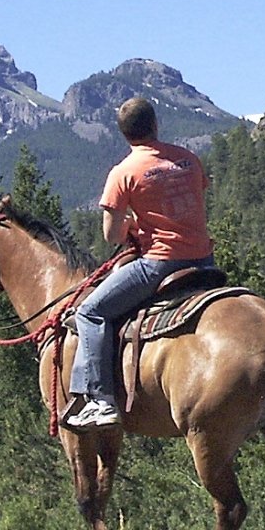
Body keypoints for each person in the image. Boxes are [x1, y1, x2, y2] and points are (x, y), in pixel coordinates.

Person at [64, 96, 217, 430]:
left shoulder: (124, 172)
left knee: (90, 311)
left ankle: (101, 402)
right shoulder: (188, 159)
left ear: (123, 134)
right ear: (156, 124)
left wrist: (133, 225)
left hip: (160, 262)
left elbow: (112, 235)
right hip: (205, 259)